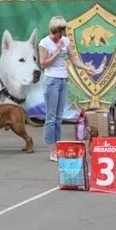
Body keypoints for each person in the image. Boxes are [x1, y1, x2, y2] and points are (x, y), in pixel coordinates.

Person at [39, 16, 96, 162]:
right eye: (59, 31)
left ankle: (58, 148)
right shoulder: (44, 43)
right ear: (54, 30)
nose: (62, 34)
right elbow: (43, 64)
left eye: (63, 31)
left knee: (59, 117)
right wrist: (57, 53)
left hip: (63, 79)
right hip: (51, 80)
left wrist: (86, 68)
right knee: (51, 117)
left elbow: (74, 59)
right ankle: (52, 150)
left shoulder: (65, 41)